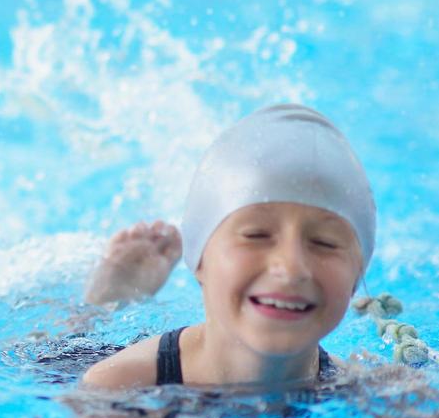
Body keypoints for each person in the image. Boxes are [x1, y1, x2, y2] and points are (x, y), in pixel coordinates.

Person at [81, 104, 373, 390]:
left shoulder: (366, 393)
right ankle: (106, 302)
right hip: (71, 363)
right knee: (79, 344)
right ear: (199, 259)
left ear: (357, 275)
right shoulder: (117, 387)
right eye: (256, 235)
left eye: (325, 243)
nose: (291, 267)